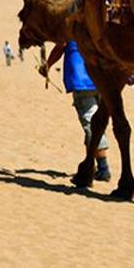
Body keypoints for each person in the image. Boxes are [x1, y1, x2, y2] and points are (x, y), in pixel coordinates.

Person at [42, 40, 110, 180]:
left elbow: (61, 44)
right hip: (103, 75)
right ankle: (90, 167)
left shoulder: (72, 23)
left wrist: (47, 65)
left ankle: (103, 167)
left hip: (82, 78)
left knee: (91, 123)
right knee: (95, 122)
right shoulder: (98, 21)